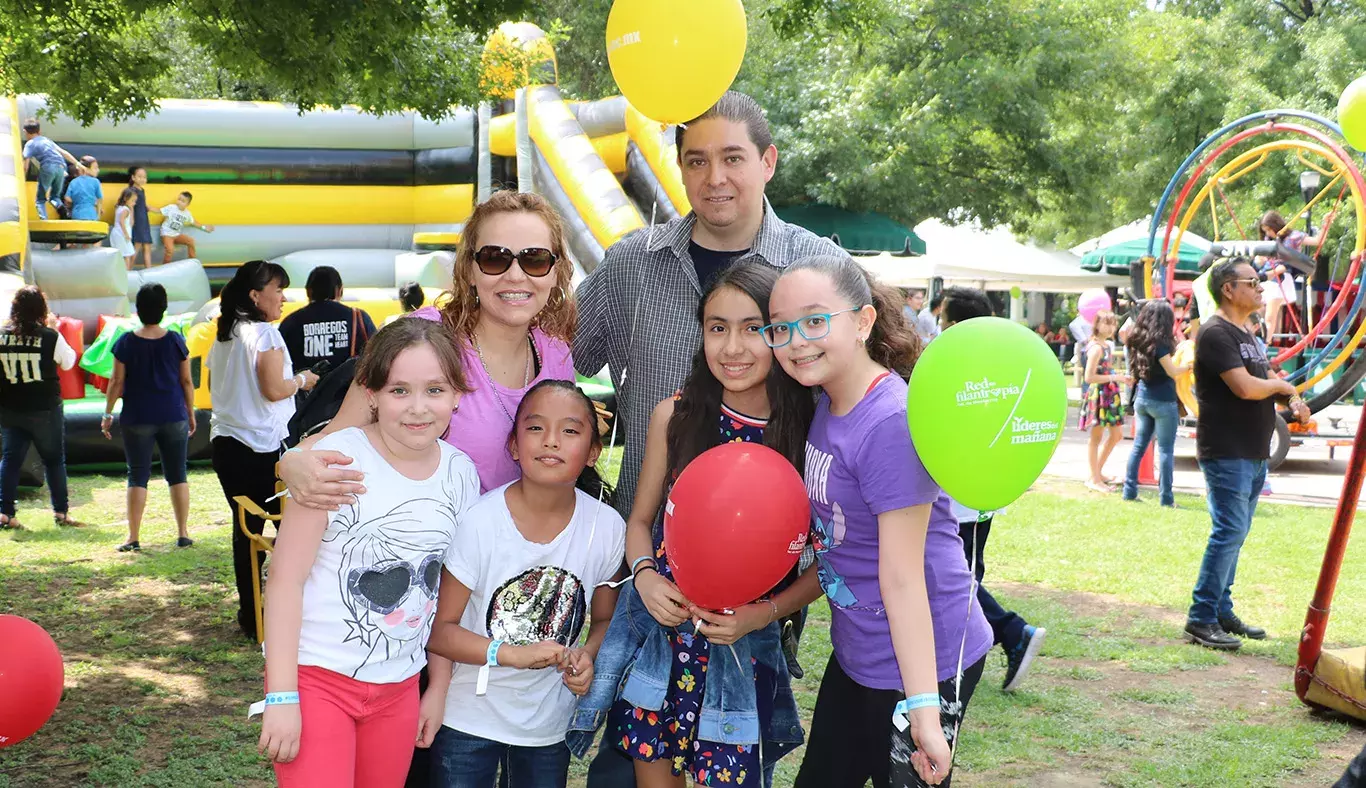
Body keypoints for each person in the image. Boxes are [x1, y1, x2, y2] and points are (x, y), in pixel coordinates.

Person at [572, 88, 839, 787]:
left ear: (768, 161)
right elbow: (552, 357)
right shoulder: (630, 264)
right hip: (651, 584)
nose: (715, 177)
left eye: (733, 158)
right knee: (628, 764)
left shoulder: (817, 267)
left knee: (733, 750)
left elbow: (866, 378)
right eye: (697, 160)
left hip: (759, 592)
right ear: (680, 169)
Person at [273, 192, 577, 786]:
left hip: (496, 605)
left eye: (535, 259)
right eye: (495, 257)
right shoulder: (421, 337)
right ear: (468, 267)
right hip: (399, 606)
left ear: (556, 270)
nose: (515, 274)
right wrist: (291, 463)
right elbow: (332, 442)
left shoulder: (558, 357)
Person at [569, 261, 817, 786]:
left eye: (753, 329)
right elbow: (639, 522)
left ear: (779, 333)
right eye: (717, 328)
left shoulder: (807, 428)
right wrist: (645, 576)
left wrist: (762, 614)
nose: (733, 348)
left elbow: (830, 564)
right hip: (664, 642)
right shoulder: (675, 416)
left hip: (745, 649)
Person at [763, 255, 991, 788]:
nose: (797, 340)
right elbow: (839, 547)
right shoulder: (826, 401)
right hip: (860, 652)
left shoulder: (889, 422)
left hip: (925, 661)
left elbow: (902, 578)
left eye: (816, 321)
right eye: (780, 328)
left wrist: (925, 713)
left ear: (863, 322)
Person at [257, 318, 480, 787]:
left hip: (399, 688)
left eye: (435, 389)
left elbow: (448, 595)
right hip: (317, 682)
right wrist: (281, 697)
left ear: (458, 394)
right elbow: (284, 579)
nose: (418, 408)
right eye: (399, 390)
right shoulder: (335, 462)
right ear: (372, 395)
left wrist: (436, 688)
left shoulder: (461, 474)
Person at [426, 380, 625, 788]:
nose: (551, 441)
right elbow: (439, 632)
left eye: (570, 430)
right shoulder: (479, 522)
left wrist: (587, 656)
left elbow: (606, 621)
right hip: (468, 722)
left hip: (548, 729)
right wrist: (511, 655)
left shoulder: (606, 527)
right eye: (535, 428)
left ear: (592, 453)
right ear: (514, 445)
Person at [1184, 259, 1310, 651]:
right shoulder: (1215, 333)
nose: (1261, 289)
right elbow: (1244, 387)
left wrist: (1291, 400)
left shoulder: (1248, 334)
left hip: (1252, 451)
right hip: (1227, 449)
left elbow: (1264, 387)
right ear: (1228, 289)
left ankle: (1221, 609)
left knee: (1235, 535)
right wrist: (1283, 386)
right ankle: (1200, 618)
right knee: (1228, 533)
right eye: (1252, 282)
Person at [937, 286, 1046, 693]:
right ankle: (970, 651)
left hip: (958, 494)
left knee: (956, 580)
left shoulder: (954, 365)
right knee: (967, 573)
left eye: (945, 320)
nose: (941, 327)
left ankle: (1011, 632)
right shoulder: (998, 365)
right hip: (981, 494)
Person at [209, 260, 320, 640]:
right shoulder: (264, 335)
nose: (283, 297)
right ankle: (285, 616)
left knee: (247, 533)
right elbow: (274, 390)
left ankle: (252, 616)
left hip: (226, 446)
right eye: (278, 290)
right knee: (289, 534)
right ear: (255, 295)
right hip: (261, 450)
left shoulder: (225, 335)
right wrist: (303, 380)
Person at [101, 284, 196, 552]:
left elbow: (117, 382)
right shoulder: (176, 340)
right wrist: (190, 412)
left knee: (138, 475)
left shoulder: (126, 342)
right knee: (177, 474)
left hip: (137, 416)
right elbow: (186, 380)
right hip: (172, 413)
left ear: (137, 310)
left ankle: (133, 537)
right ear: (164, 308)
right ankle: (183, 533)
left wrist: (108, 412)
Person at [0, 286, 81, 530]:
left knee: (10, 460)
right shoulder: (49, 336)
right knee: (54, 460)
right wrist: (54, 330)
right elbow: (68, 363)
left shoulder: (2, 335)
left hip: (10, 408)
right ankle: (61, 513)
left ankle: (5, 514)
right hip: (44, 409)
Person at [1122, 300, 1191, 508]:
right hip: (1163, 401)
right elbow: (1171, 371)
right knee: (1166, 450)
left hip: (1142, 399)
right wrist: (1188, 366)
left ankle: (1129, 491)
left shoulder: (1136, 339)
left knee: (1139, 446)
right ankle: (1166, 498)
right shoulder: (1160, 343)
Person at [279, 266, 377, 401]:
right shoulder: (358, 317)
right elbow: (377, 355)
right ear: (340, 290)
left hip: (305, 405)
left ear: (308, 291)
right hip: (347, 401)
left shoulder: (291, 322)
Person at [1080, 310, 1126, 493]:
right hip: (1099, 394)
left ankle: (1096, 473)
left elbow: (1105, 371)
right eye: (1106, 323)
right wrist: (1116, 379)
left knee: (1116, 435)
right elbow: (1089, 377)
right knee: (1096, 437)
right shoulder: (1097, 348)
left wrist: (1119, 377)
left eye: (1113, 323)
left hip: (1108, 393)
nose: (1110, 327)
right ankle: (1094, 478)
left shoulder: (1106, 345)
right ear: (1097, 324)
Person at [21, 119, 82, 220]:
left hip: (48, 166)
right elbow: (63, 152)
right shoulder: (46, 140)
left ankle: (44, 220)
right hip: (62, 167)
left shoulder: (29, 144)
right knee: (55, 197)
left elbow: (26, 165)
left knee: (40, 199)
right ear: (39, 131)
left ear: (25, 132)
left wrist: (23, 179)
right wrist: (77, 163)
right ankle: (63, 209)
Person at [153, 191, 214, 264]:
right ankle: (165, 266)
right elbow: (158, 211)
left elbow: (194, 222)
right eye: (179, 199)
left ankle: (193, 261)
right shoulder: (171, 207)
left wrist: (204, 228)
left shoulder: (187, 213)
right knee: (170, 250)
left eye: (183, 201)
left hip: (176, 235)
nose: (179, 202)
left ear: (187, 204)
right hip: (166, 234)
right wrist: (148, 208)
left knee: (191, 241)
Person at [128, 166, 154, 268]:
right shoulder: (132, 191)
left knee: (147, 246)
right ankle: (128, 269)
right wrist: (132, 219)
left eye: (144, 177)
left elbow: (141, 204)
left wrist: (146, 207)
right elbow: (130, 206)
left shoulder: (141, 190)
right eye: (139, 176)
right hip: (138, 221)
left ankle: (149, 270)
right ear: (133, 177)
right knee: (137, 246)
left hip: (144, 220)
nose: (142, 179)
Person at [63, 156, 103, 222]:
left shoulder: (73, 182)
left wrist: (77, 201)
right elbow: (100, 199)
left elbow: (67, 198)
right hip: (91, 215)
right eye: (95, 168)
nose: (98, 170)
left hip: (76, 214)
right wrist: (98, 215)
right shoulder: (95, 181)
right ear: (85, 169)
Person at [110, 188, 139, 269]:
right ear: (126, 198)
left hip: (117, 233)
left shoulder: (119, 207)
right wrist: (126, 234)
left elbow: (130, 223)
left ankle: (120, 272)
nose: (134, 203)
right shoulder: (125, 210)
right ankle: (127, 273)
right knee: (127, 255)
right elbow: (122, 222)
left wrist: (132, 209)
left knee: (121, 254)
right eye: (133, 200)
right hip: (122, 235)